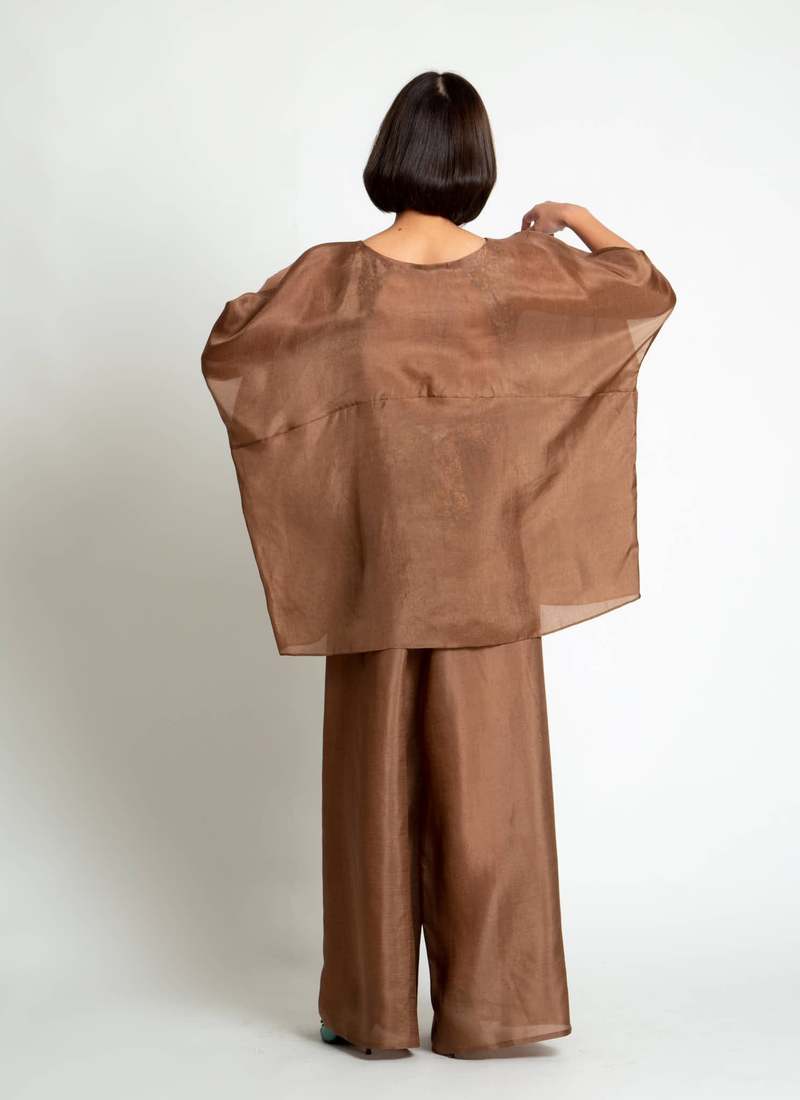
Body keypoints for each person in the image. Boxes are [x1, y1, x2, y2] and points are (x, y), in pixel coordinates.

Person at [200, 70, 677, 1059]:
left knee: (371, 799)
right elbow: (642, 290)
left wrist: (309, 303)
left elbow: (235, 342)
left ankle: (370, 1010)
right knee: (492, 804)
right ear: (474, 164)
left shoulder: (333, 277)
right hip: (489, 577)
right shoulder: (521, 273)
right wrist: (574, 218)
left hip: (379, 577)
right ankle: (490, 1009)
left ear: (392, 155)